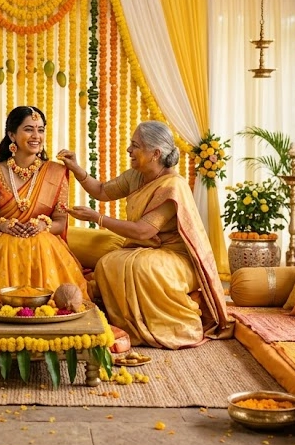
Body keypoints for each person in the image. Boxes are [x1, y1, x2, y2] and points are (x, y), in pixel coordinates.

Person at [59, 121, 231, 349]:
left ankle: (161, 328)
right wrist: (76, 168)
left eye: (135, 145)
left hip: (176, 258)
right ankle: (128, 325)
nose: (129, 150)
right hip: (147, 250)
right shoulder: (136, 176)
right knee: (108, 263)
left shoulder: (172, 186)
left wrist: (97, 218)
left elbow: (144, 230)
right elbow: (101, 191)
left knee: (141, 266)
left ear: (155, 154)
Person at [0, 106, 87, 302]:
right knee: (9, 243)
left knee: (40, 241)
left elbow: (60, 222)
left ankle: (44, 309)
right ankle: (6, 309)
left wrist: (43, 225)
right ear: (12, 135)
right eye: (28, 129)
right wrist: (4, 226)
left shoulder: (56, 172)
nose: (36, 136)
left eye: (40, 129)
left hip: (46, 244)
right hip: (2, 244)